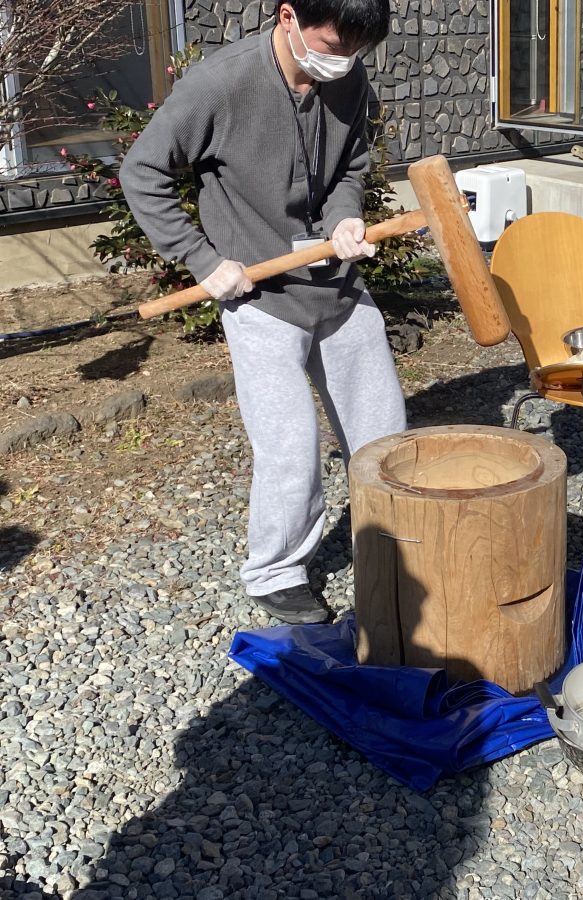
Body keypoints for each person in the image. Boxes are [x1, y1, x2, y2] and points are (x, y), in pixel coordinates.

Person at [122, 0, 407, 625]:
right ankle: (275, 571)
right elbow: (141, 171)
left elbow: (349, 168)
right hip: (255, 293)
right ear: (287, 17)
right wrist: (199, 258)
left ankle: (393, 543)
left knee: (384, 430)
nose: (340, 62)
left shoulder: (348, 79)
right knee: (290, 446)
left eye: (354, 52)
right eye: (332, 44)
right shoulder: (219, 85)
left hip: (335, 284)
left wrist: (343, 218)